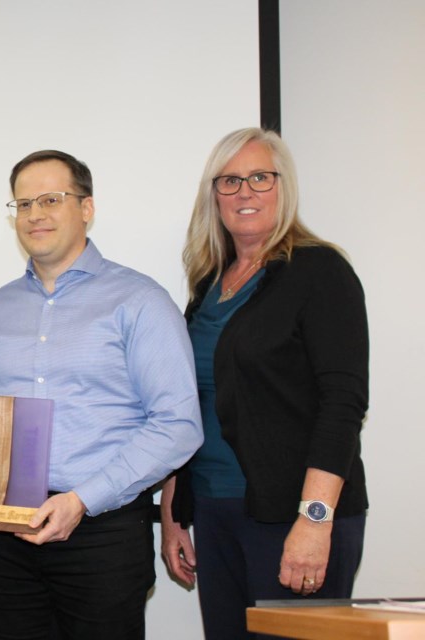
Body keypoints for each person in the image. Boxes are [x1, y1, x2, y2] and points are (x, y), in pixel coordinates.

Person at [0, 150, 203, 639]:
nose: (35, 214)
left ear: (86, 208)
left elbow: (178, 424)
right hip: (8, 535)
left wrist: (83, 499)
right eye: (23, 204)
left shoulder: (140, 301)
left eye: (51, 199)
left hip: (101, 536)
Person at [159, 128, 369, 639]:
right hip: (214, 510)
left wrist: (315, 520)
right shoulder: (209, 284)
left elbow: (343, 404)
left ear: (284, 186)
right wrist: (171, 515)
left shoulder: (319, 271)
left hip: (292, 515)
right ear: (214, 196)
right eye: (229, 181)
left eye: (259, 177)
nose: (245, 192)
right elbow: (184, 405)